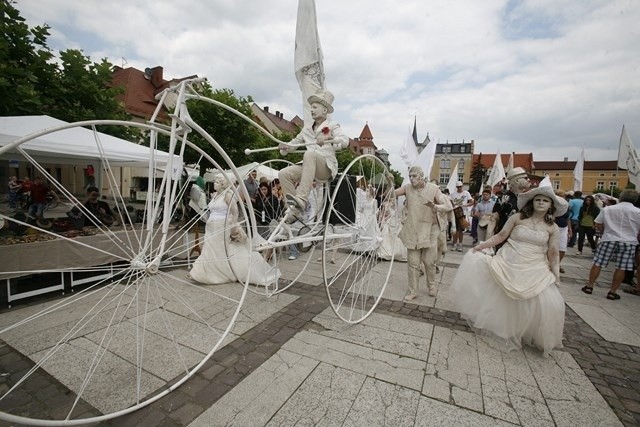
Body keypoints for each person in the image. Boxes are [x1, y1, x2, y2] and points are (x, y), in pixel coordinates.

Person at [451, 178, 568, 356]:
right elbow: (501, 235)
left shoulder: (552, 227)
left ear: (551, 205)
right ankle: (503, 327)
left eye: (545, 200)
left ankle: (526, 331)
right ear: (532, 202)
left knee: (536, 301)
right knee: (502, 296)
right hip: (509, 259)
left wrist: (555, 272)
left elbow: (553, 252)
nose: (541, 203)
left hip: (534, 265)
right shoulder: (517, 218)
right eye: (538, 199)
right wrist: (482, 246)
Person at [189, 174, 280, 286]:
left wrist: (232, 226)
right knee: (210, 250)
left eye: (217, 182)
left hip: (222, 226)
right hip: (211, 227)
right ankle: (202, 272)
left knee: (221, 250)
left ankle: (221, 272)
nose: (214, 184)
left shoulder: (228, 195)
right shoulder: (215, 195)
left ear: (223, 185)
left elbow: (235, 212)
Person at [278, 89, 349, 222]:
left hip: (325, 167)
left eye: (315, 107)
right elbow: (294, 144)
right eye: (311, 107)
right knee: (284, 173)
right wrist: (285, 146)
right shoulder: (306, 129)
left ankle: (302, 199)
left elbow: (344, 140)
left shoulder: (332, 126)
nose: (311, 110)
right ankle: (294, 211)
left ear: (324, 110)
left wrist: (331, 140)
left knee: (309, 154)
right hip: (309, 165)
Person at [395, 166, 451, 300]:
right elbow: (392, 193)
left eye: (415, 176)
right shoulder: (408, 188)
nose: (412, 179)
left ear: (421, 176)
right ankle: (413, 290)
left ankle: (431, 285)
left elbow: (448, 206)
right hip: (413, 229)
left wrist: (436, 207)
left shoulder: (433, 189)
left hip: (431, 230)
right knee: (413, 263)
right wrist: (390, 183)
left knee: (429, 261)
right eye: (410, 176)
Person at [582, 189, 640, 300]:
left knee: (598, 262)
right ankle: (612, 292)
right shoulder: (638, 212)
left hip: (609, 238)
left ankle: (590, 286)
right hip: (629, 241)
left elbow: (598, 223)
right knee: (621, 267)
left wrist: (604, 232)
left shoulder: (608, 209)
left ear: (621, 197)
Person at [487, 167, 531, 244]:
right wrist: (488, 241)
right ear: (517, 180)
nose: (528, 180)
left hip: (525, 241)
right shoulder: (504, 198)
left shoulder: (531, 198)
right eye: (525, 178)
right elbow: (493, 219)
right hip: (505, 240)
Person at [449, 181, 472, 252]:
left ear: (462, 186)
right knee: (454, 229)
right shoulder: (453, 194)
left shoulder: (466, 193)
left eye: (460, 186)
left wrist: (464, 205)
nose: (459, 188)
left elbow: (471, 202)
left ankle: (460, 244)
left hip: (463, 213)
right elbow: (451, 203)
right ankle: (454, 243)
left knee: (461, 230)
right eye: (458, 187)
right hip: (455, 213)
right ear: (456, 187)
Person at [554, 189, 572, 274]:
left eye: (562, 196)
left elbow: (568, 218)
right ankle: (552, 263)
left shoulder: (566, 205)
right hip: (554, 227)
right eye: (559, 196)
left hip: (564, 228)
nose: (561, 197)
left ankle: (558, 263)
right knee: (552, 247)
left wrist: (570, 229)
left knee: (562, 248)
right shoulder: (553, 205)